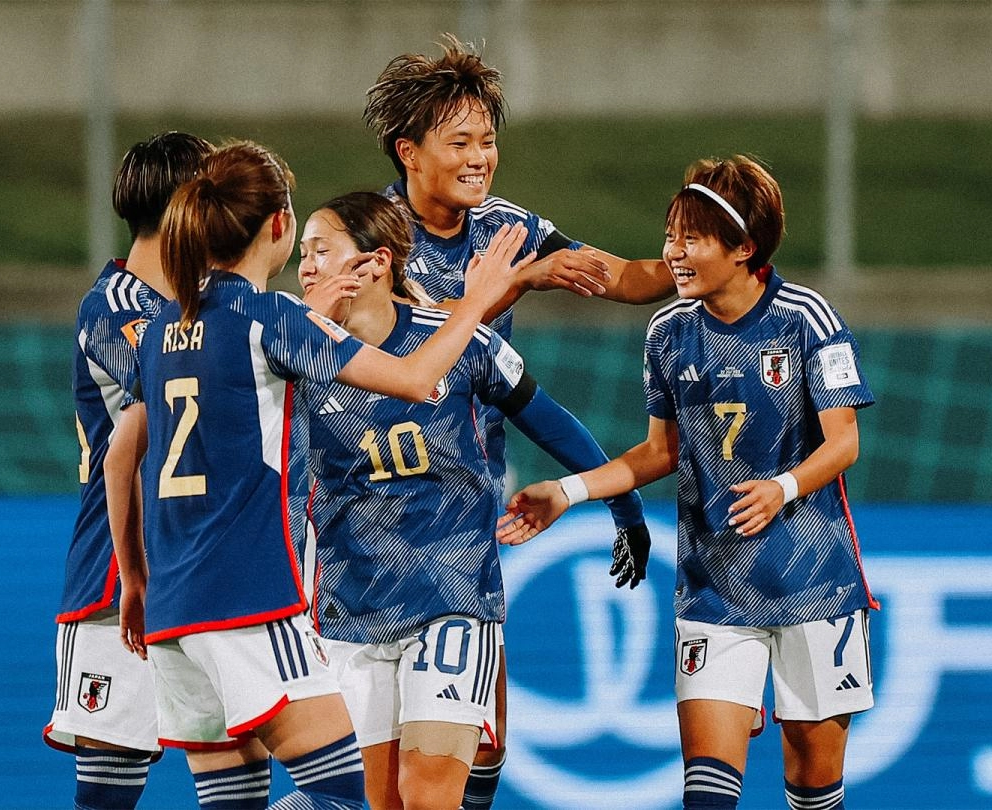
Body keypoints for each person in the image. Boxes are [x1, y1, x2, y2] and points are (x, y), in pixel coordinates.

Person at [102, 140, 531, 810]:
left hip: (171, 613)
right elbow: (417, 379)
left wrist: (133, 579)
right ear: (278, 225)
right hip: (249, 602)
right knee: (348, 800)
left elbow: (118, 455)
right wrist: (474, 302)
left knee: (233, 802)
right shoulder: (272, 319)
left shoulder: (163, 326)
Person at [496, 156, 877, 810]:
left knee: (815, 791)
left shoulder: (806, 318)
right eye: (670, 234)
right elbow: (659, 451)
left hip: (814, 586)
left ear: (743, 247)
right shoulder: (669, 332)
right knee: (705, 792)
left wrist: (781, 488)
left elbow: (845, 441)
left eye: (691, 238)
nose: (672, 252)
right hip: (714, 589)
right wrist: (570, 491)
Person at [363, 35, 672, 805]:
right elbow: (420, 349)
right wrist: (520, 281)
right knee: (378, 778)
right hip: (362, 515)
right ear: (409, 151)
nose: (480, 157)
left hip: (461, 514)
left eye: (488, 140)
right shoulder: (371, 239)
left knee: (477, 752)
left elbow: (623, 279)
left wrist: (704, 257)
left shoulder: (506, 227)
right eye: (459, 141)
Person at [295, 191, 650, 810]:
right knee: (371, 804)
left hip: (451, 598)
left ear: (376, 263)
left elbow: (552, 422)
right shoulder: (294, 359)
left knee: (429, 794)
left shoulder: (463, 343)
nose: (304, 267)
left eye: (320, 251)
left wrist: (624, 509)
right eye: (301, 254)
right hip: (350, 609)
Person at [44, 132, 215, 809]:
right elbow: (173, 382)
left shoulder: (211, 307)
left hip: (211, 570)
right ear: (182, 208)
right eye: (214, 197)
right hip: (119, 580)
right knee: (108, 798)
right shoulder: (115, 307)